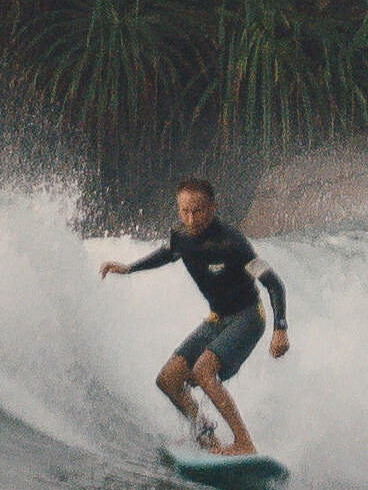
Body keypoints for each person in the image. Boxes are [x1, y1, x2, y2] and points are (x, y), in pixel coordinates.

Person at [101, 180, 286, 454]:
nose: (191, 218)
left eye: (198, 211)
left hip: (248, 316)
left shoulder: (234, 243)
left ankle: (244, 443)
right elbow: (167, 254)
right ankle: (206, 436)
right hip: (217, 319)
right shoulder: (181, 236)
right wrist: (129, 268)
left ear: (212, 207)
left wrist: (280, 328)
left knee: (203, 370)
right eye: (184, 211)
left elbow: (273, 283)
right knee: (168, 379)